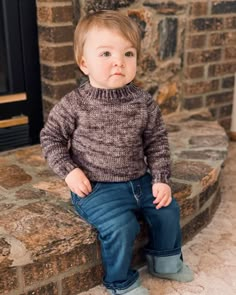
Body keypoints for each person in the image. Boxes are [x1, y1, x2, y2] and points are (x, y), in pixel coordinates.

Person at [40, 10, 193, 295]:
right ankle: (120, 283)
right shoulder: (74, 104)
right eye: (106, 53)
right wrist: (69, 171)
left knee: (167, 210)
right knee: (120, 226)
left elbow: (157, 142)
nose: (119, 62)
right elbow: (51, 138)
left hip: (140, 179)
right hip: (96, 186)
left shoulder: (143, 102)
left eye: (128, 54)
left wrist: (160, 178)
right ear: (84, 63)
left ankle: (165, 262)